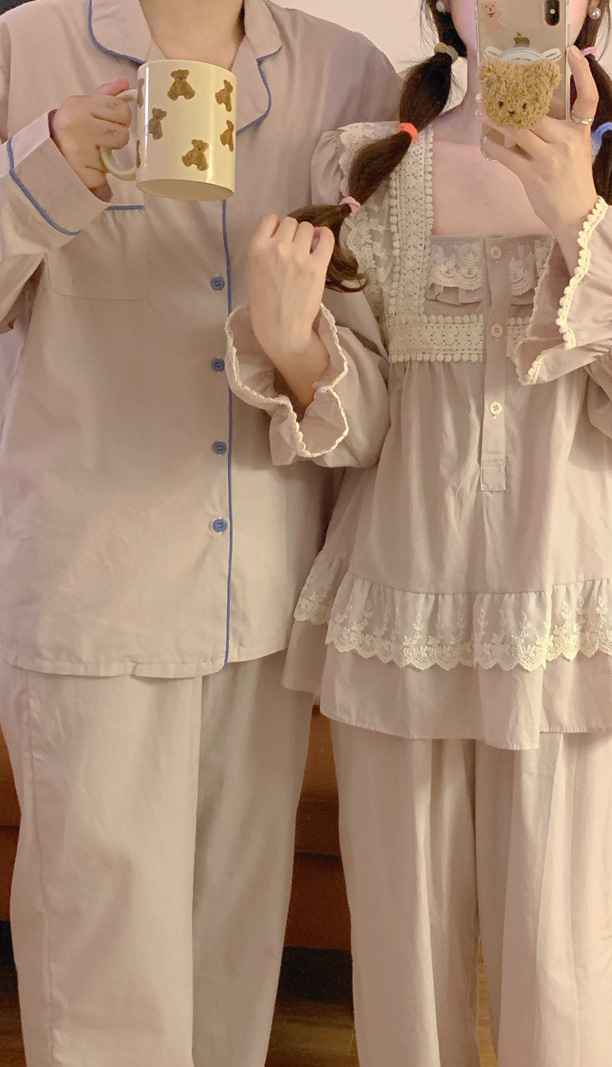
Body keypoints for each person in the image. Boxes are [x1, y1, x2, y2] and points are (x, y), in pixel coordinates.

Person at [227, 0, 612, 1064]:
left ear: (590, 8)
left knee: (566, 966)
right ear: (444, 6)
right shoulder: (372, 170)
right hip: (402, 605)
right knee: (402, 966)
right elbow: (365, 426)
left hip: (578, 614)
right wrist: (293, 347)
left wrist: (580, 219)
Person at [0, 1, 401, 1064]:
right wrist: (46, 167)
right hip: (94, 587)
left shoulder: (347, 75)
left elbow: (379, 377)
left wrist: (296, 347)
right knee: (100, 973)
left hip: (264, 598)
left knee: (232, 969)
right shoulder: (24, 47)